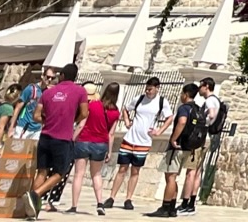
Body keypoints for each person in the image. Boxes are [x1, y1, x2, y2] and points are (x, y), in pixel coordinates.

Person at [31, 63, 89, 217]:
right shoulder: (80, 91)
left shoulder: (48, 92)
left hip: (45, 136)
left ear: (62, 75)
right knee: (59, 172)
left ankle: (32, 208)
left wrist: (48, 120)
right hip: (62, 138)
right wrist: (72, 120)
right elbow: (84, 113)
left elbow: (36, 116)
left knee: (42, 172)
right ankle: (35, 194)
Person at [107, 80, 165, 213]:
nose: (147, 91)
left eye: (150, 89)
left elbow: (169, 118)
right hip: (129, 139)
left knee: (135, 171)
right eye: (147, 89)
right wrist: (127, 121)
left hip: (143, 142)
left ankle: (128, 198)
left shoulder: (161, 102)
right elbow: (126, 109)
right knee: (122, 168)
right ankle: (112, 197)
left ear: (157, 88)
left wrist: (159, 131)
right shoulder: (139, 99)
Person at [148, 84, 204, 219]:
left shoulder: (184, 108)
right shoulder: (197, 109)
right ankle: (172, 208)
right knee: (174, 177)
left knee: (170, 177)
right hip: (189, 148)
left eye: (182, 93)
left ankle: (165, 207)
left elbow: (182, 122)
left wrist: (173, 139)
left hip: (177, 147)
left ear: (186, 94)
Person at [71, 82, 121, 214]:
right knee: (96, 174)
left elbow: (81, 124)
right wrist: (109, 151)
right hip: (101, 144)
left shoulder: (92, 105)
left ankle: (74, 206)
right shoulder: (116, 112)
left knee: (79, 174)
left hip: (84, 141)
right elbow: (111, 134)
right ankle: (100, 203)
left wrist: (73, 138)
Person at [190, 81, 225, 206]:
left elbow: (211, 114)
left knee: (194, 169)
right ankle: (193, 198)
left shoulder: (210, 100)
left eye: (201, 86)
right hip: (208, 136)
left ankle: (189, 200)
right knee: (198, 169)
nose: (199, 89)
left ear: (207, 87)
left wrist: (201, 122)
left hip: (203, 136)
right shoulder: (215, 100)